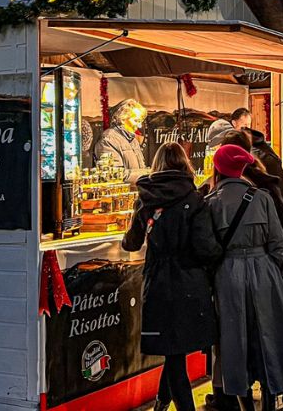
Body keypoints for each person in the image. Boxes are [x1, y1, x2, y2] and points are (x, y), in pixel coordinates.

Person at [206, 144, 283, 411]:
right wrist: (272, 269)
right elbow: (278, 243)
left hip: (228, 275)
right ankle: (271, 394)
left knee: (233, 339)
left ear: (218, 168)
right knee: (269, 334)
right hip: (264, 270)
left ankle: (241, 398)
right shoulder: (262, 197)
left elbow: (207, 247)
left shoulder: (211, 202)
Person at [121, 143, 223, 411]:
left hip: (158, 283)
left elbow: (130, 244)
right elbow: (206, 248)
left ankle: (162, 402)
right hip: (190, 282)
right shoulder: (194, 198)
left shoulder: (145, 198)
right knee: (176, 352)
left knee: (173, 350)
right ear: (184, 164)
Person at [95, 99, 148, 183]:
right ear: (123, 119)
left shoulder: (133, 140)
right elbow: (113, 175)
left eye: (140, 121)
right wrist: (147, 174)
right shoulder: (108, 139)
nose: (140, 125)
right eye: (136, 121)